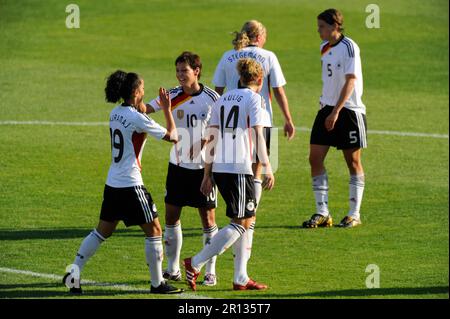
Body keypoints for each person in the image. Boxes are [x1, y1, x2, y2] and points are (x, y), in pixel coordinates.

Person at [62, 70, 183, 294]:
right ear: (136, 92)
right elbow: (173, 136)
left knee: (102, 232)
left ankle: (74, 271)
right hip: (131, 184)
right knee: (155, 230)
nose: (145, 92)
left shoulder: (115, 112)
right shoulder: (137, 117)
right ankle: (157, 283)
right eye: (143, 89)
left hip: (113, 182)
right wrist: (167, 109)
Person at [212, 19, 294, 287]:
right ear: (260, 36)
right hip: (260, 124)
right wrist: (288, 118)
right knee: (254, 188)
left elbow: (217, 92)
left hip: (230, 132)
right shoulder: (267, 56)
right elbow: (277, 90)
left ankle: (240, 268)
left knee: (244, 190)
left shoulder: (227, 56)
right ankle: (247, 220)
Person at [183, 58, 274, 291]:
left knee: (245, 219)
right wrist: (268, 165)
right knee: (242, 222)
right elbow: (258, 137)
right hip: (238, 168)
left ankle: (240, 277)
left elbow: (211, 137)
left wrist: (207, 173)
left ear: (239, 78)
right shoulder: (256, 100)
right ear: (260, 80)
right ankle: (195, 263)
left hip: (221, 168)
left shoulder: (222, 99)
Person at [145, 52, 220, 286]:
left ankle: (210, 271)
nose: (179, 75)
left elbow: (220, 130)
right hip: (177, 167)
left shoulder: (212, 98)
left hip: (203, 169)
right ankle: (173, 268)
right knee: (171, 218)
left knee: (208, 219)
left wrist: (202, 144)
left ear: (196, 71)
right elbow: (146, 108)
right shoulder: (172, 96)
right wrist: (132, 100)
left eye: (184, 71)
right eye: (177, 71)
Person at [303, 9, 367, 229]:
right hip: (326, 108)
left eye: (321, 26)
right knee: (315, 158)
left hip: (348, 110)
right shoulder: (324, 48)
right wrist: (327, 107)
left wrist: (336, 111)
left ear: (334, 26)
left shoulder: (350, 47)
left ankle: (354, 213)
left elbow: (350, 81)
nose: (318, 30)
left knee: (353, 162)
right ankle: (322, 212)